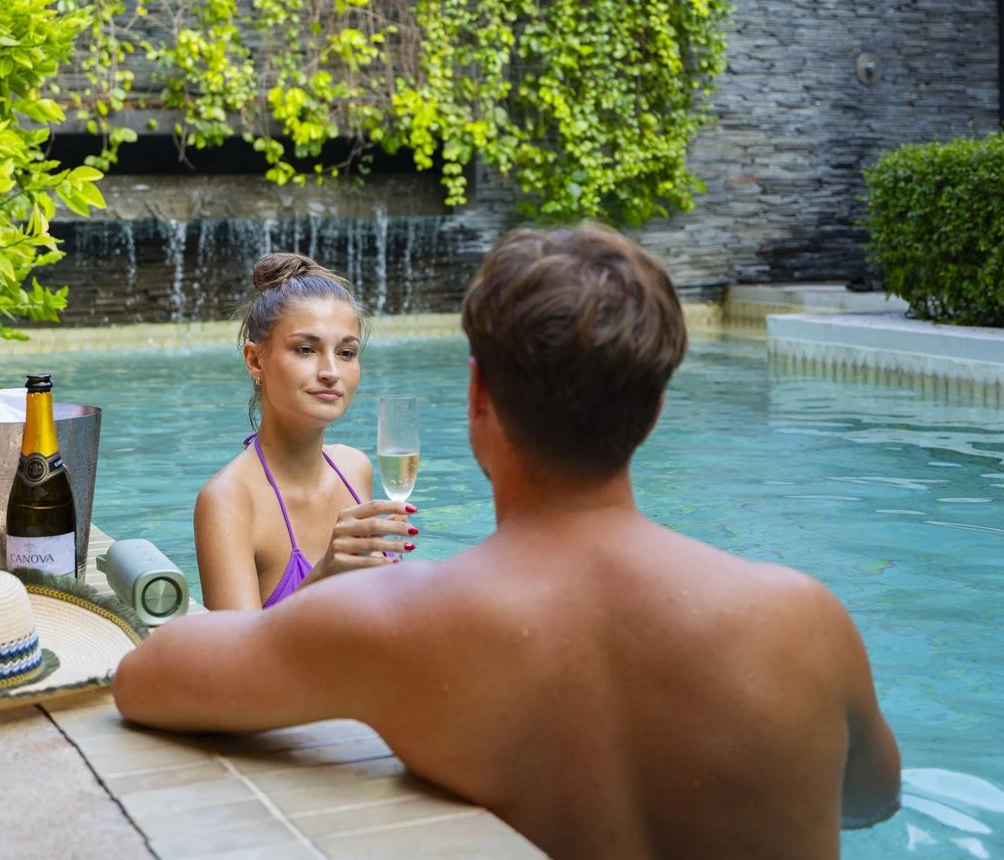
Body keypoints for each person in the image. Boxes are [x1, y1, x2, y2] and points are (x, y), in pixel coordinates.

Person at [116, 224, 901, 858]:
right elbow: (873, 800)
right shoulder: (806, 621)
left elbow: (145, 680)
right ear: (655, 410)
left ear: (477, 399)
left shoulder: (405, 625)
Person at [194, 253, 419, 610]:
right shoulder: (229, 500)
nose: (331, 370)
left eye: (346, 352)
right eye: (305, 349)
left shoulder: (354, 468)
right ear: (255, 360)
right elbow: (235, 656)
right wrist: (323, 575)